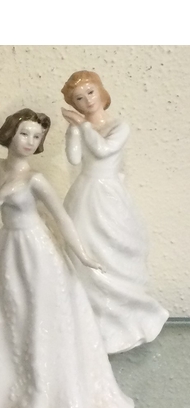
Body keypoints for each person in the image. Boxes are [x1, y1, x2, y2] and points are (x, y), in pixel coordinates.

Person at [0, 109, 134, 408]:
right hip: (8, 248)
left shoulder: (35, 179)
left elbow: (62, 219)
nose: (31, 141)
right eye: (25, 133)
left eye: (37, 136)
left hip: (37, 251)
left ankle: (46, 390)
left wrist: (83, 255)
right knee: (9, 313)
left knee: (39, 314)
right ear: (10, 133)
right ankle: (6, 387)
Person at [61, 70, 168, 354]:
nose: (87, 101)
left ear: (101, 91)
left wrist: (82, 126)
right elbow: (74, 158)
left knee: (114, 248)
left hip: (108, 194)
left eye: (90, 92)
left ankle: (125, 319)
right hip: (84, 193)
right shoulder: (81, 127)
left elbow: (104, 150)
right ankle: (89, 320)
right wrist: (72, 132)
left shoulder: (119, 125)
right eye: (79, 98)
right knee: (82, 249)